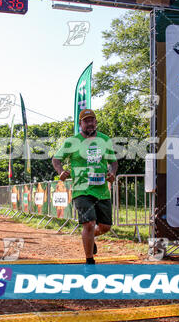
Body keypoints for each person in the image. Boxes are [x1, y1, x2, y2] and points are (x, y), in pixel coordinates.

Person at [52, 109, 118, 264]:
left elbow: (113, 162)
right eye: (86, 121)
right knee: (89, 223)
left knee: (105, 227)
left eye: (92, 120)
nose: (90, 123)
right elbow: (56, 159)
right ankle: (89, 261)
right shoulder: (72, 141)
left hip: (101, 189)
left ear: (96, 122)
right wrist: (61, 171)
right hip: (81, 188)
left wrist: (112, 173)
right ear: (80, 123)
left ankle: (89, 237)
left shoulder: (104, 139)